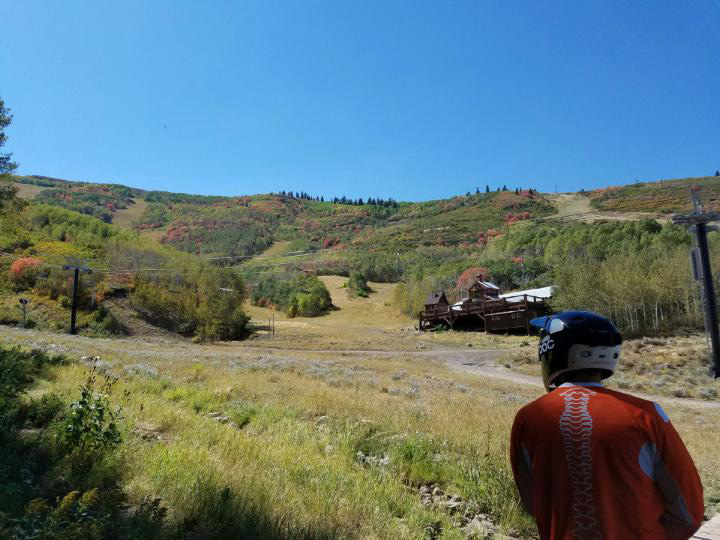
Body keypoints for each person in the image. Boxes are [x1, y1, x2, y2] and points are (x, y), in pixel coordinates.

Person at [510, 310, 704, 540]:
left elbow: (533, 503)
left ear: (549, 352)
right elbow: (688, 512)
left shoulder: (528, 419)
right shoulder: (647, 415)